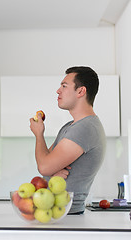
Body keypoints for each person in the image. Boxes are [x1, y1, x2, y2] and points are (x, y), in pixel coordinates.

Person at [29, 66, 106, 214]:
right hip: (55, 212)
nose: (58, 91)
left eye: (64, 86)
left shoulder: (85, 128)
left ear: (81, 91)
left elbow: (44, 167)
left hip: (67, 214)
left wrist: (39, 134)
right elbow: (45, 162)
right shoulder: (70, 126)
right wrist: (50, 174)